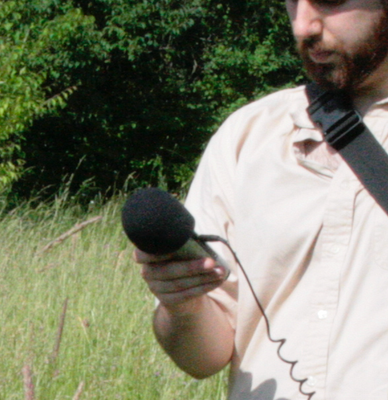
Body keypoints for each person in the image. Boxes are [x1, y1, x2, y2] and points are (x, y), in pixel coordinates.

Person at [134, 1, 388, 399]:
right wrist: (181, 307)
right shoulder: (247, 137)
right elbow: (203, 359)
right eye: (291, 2)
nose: (303, 25)